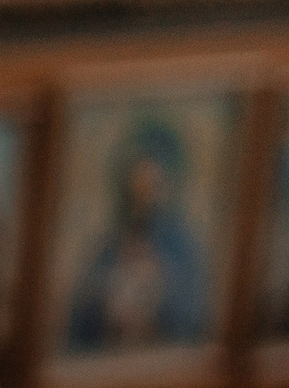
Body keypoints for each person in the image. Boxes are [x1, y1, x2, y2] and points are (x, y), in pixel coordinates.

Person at [63, 116, 212, 354]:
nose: (145, 194)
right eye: (139, 185)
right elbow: (81, 325)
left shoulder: (182, 248)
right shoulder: (109, 246)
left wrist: (156, 292)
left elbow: (189, 323)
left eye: (153, 185)